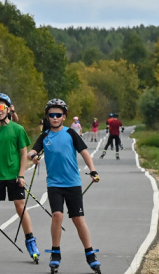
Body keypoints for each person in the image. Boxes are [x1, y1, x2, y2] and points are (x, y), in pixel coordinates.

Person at [28, 99, 102, 273]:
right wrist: (33, 157)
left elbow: (84, 152)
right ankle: (55, 253)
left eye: (58, 115)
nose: (54, 118)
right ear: (47, 116)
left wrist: (93, 171)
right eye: (51, 115)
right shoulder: (45, 136)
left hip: (73, 183)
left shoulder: (70, 133)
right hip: (54, 184)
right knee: (57, 215)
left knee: (78, 219)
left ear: (64, 116)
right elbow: (32, 151)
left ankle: (90, 253)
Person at [0, 93, 40, 263]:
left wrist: (21, 174)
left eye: (2, 107)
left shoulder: (18, 129)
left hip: (14, 176)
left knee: (20, 207)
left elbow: (23, 152)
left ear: (9, 109)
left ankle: (31, 241)